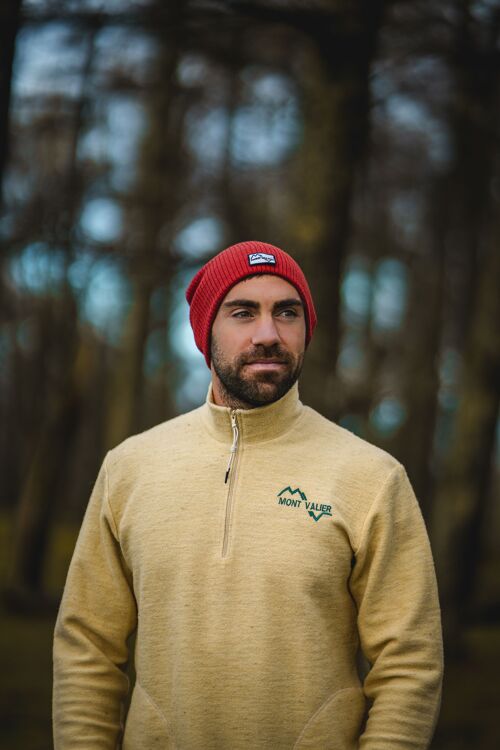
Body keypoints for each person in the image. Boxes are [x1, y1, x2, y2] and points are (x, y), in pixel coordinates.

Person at [53, 241, 443, 749]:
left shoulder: (371, 477)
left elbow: (409, 664)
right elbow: (88, 648)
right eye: (243, 313)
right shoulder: (130, 468)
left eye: (287, 313)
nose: (268, 334)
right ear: (204, 332)